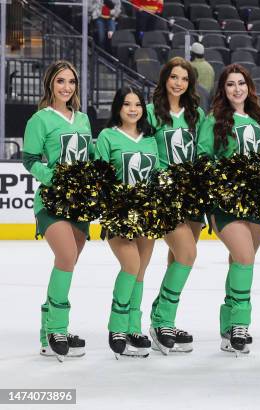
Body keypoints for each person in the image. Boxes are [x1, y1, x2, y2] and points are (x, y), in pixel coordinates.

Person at [197, 64, 260, 354]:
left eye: (241, 83)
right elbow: (204, 157)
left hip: (257, 201)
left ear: (249, 87)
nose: (236, 89)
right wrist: (223, 183)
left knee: (239, 261)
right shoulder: (214, 119)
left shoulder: (259, 120)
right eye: (230, 84)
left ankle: (227, 327)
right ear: (223, 89)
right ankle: (241, 324)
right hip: (225, 201)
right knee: (244, 257)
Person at [22, 60, 92, 360]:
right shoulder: (40, 119)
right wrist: (57, 177)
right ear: (51, 83)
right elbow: (30, 160)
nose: (67, 87)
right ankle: (56, 329)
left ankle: (46, 331)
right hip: (52, 200)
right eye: (61, 81)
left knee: (69, 261)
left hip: (79, 204)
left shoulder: (84, 119)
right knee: (65, 256)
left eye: (72, 82)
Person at [147, 57, 206, 354]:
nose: (178, 83)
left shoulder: (197, 115)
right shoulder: (149, 113)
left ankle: (162, 319)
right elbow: (142, 150)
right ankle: (162, 321)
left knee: (177, 259)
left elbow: (204, 152)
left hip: (192, 195)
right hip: (163, 195)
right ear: (165, 80)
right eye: (174, 77)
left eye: (184, 78)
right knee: (186, 253)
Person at [95, 87, 158, 359]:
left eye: (138, 104)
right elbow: (99, 175)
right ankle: (117, 326)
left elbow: (157, 175)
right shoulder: (107, 137)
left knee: (140, 271)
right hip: (118, 212)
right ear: (118, 108)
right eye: (127, 104)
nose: (133, 109)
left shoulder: (151, 140)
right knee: (130, 265)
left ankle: (134, 327)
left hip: (147, 212)